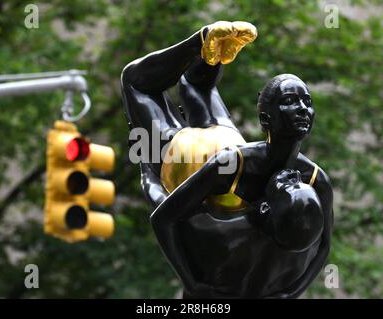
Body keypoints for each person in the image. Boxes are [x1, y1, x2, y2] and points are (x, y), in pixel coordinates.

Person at [121, 21, 334, 298]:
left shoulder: (308, 179)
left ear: (267, 209)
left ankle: (205, 45)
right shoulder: (301, 178)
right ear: (266, 118)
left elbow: (163, 217)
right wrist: (287, 294)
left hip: (179, 153)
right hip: (223, 139)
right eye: (293, 101)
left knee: (137, 84)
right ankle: (210, 46)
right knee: (195, 85)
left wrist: (193, 284)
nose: (303, 108)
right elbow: (324, 247)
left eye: (306, 101)